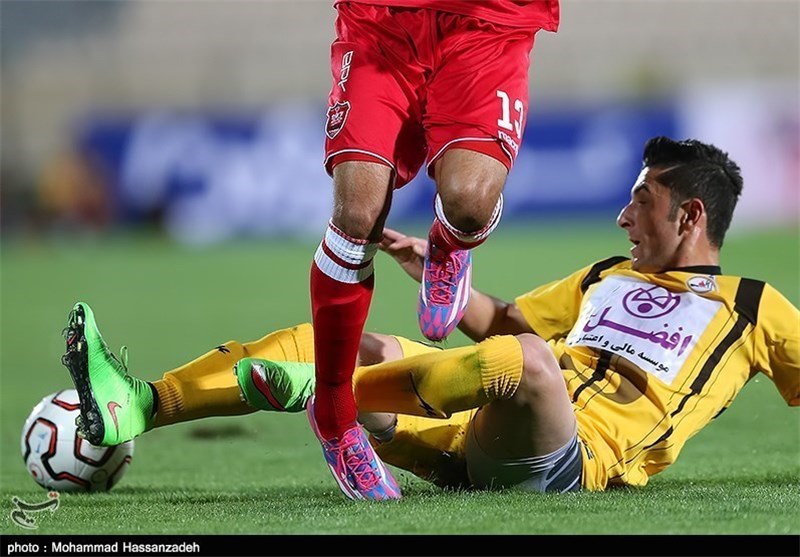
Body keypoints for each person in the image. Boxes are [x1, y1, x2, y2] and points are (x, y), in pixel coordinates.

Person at [61, 136, 798, 494]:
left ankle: (332, 401)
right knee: (358, 341)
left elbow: (524, 356)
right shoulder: (608, 275)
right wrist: (434, 270)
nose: (621, 217)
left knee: (534, 366)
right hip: (463, 428)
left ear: (690, 213)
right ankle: (138, 404)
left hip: (566, 461)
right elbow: (510, 324)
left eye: (639, 202)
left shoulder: (755, 308)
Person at [307, 0, 559, 500]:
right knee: (356, 218)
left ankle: (447, 249)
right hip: (382, 22)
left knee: (468, 203)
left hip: (489, 23)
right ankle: (336, 415)